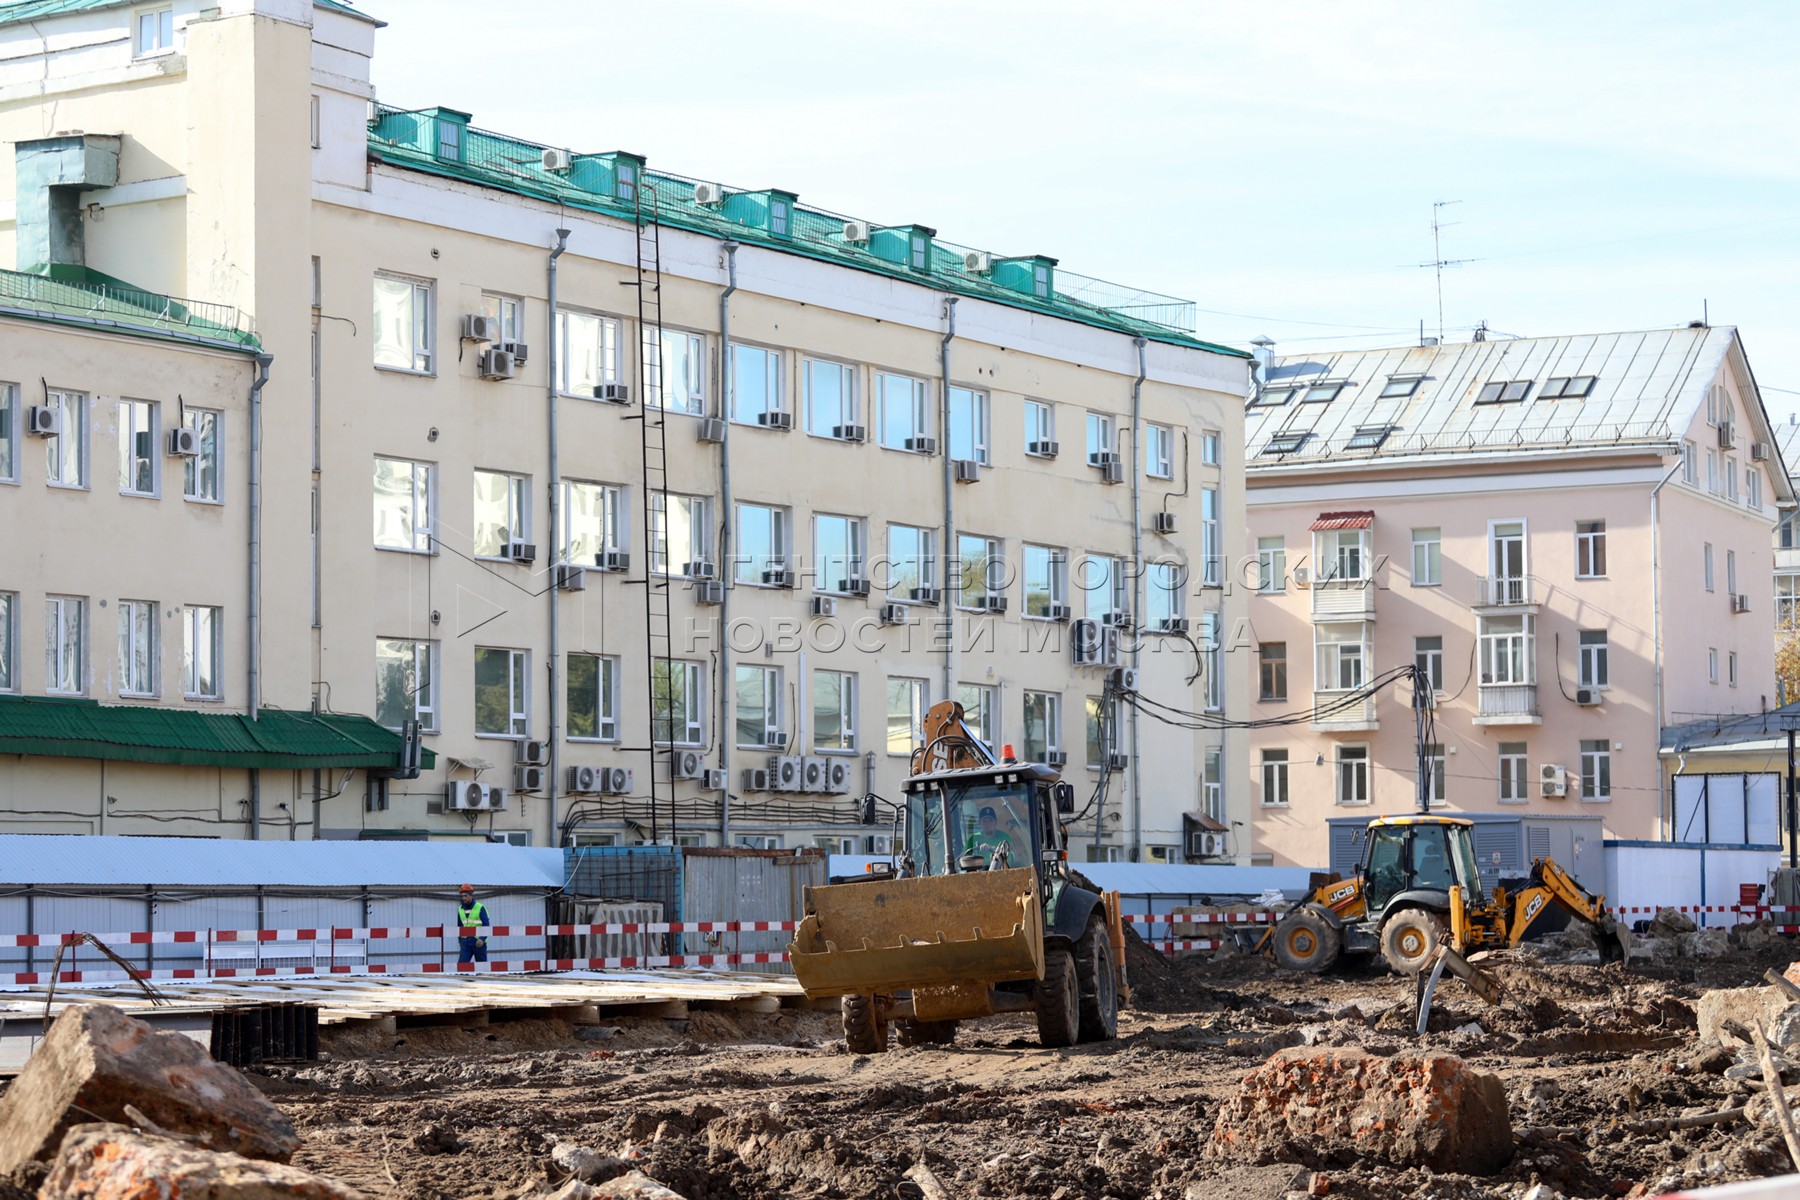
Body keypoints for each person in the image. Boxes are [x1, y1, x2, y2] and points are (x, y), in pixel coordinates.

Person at [455, 884, 491, 964]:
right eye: (462, 896)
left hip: (478, 942)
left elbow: (486, 925)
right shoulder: (460, 909)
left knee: (482, 967)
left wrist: (482, 939)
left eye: (466, 896)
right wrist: (460, 940)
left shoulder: (480, 907)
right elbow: (460, 926)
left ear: (470, 895)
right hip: (466, 943)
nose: (463, 898)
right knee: (461, 967)